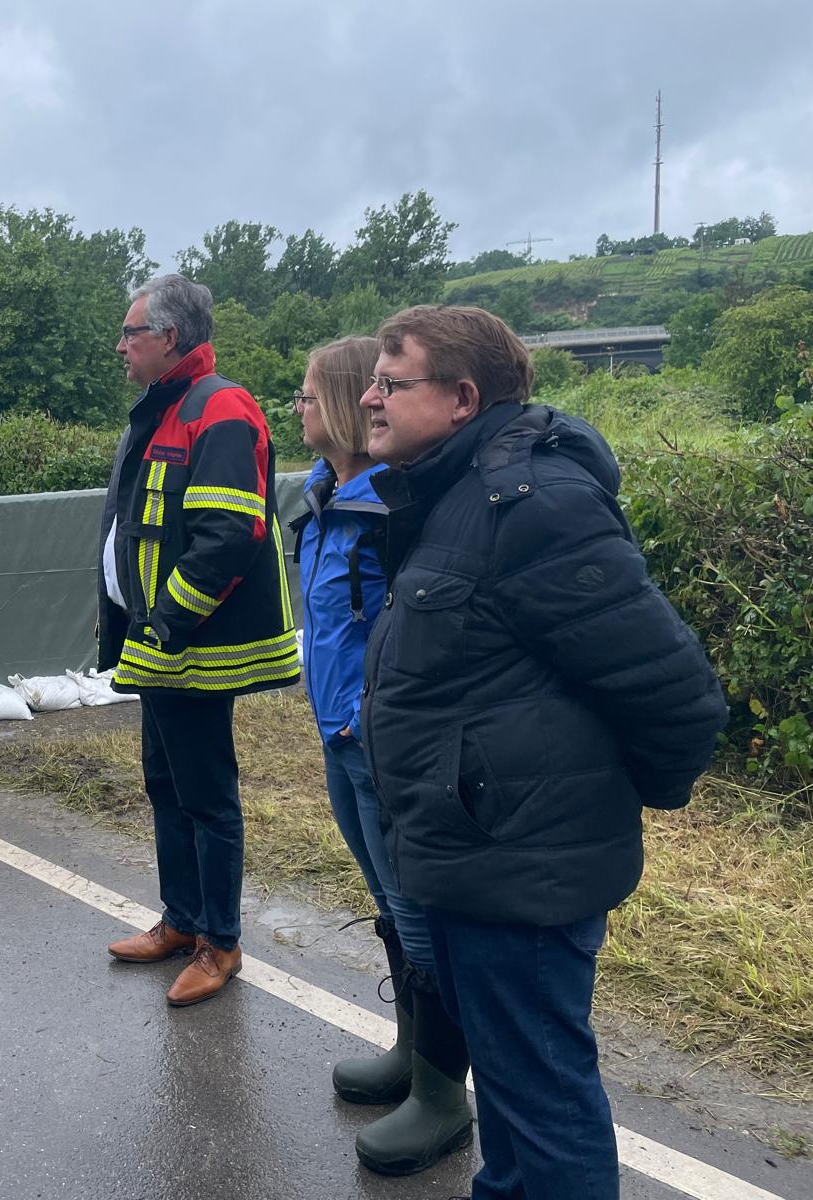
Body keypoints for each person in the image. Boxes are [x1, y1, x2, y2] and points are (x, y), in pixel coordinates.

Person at [357, 304, 727, 1198]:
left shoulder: (528, 503)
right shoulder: (454, 492)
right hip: (475, 855)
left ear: (461, 397)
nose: (367, 396)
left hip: (519, 867)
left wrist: (579, 811)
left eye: (389, 380)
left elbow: (675, 694)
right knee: (520, 1104)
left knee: (544, 1103)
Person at [289, 335, 471, 1175]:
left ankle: (443, 1097)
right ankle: (411, 1055)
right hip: (338, 734)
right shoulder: (322, 498)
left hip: (378, 741)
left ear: (340, 401)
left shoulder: (393, 508)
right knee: (389, 902)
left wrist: (370, 717)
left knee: (420, 909)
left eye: (303, 395)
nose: (293, 408)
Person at [97, 274, 300, 1006]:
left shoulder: (220, 407)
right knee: (165, 784)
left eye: (130, 333)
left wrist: (166, 620)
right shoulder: (161, 410)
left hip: (192, 648)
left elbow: (226, 536)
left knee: (207, 796)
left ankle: (220, 943)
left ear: (170, 338)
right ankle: (180, 922)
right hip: (159, 647)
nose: (120, 346)